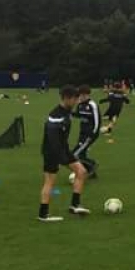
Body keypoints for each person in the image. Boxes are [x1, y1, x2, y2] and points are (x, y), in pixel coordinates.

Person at [39, 86, 91, 222]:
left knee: (81, 171)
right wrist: (60, 157)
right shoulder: (56, 115)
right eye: (75, 99)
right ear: (67, 98)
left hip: (63, 150)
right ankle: (43, 214)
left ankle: (75, 205)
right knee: (50, 181)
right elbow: (52, 137)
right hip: (52, 151)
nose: (77, 102)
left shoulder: (67, 111)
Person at [72, 85, 101, 179]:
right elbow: (78, 115)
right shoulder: (80, 105)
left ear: (88, 95)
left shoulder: (92, 105)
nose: (82, 97)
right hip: (82, 133)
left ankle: (92, 165)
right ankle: (91, 173)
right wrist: (69, 113)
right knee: (82, 154)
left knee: (74, 154)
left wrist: (92, 134)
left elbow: (97, 121)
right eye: (81, 95)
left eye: (84, 95)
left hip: (90, 134)